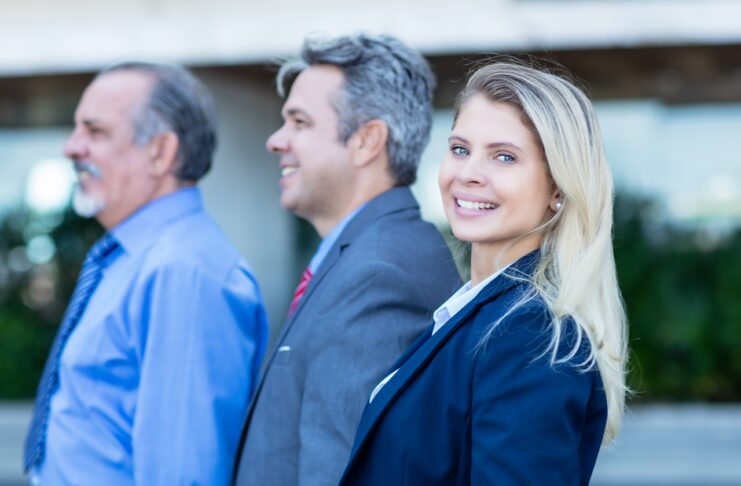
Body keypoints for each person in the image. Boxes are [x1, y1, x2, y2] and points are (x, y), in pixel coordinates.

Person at [339, 61, 629, 485]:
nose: (468, 174)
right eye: (460, 148)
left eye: (504, 157)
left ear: (558, 191)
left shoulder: (528, 331)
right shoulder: (474, 313)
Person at [23, 62, 268, 485]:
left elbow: (185, 472)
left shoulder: (184, 273)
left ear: (161, 151)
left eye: (95, 132)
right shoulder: (133, 257)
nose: (71, 147)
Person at [234, 34, 461, 486]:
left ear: (366, 141)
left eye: (299, 122)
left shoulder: (380, 275)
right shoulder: (365, 256)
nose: (276, 140)